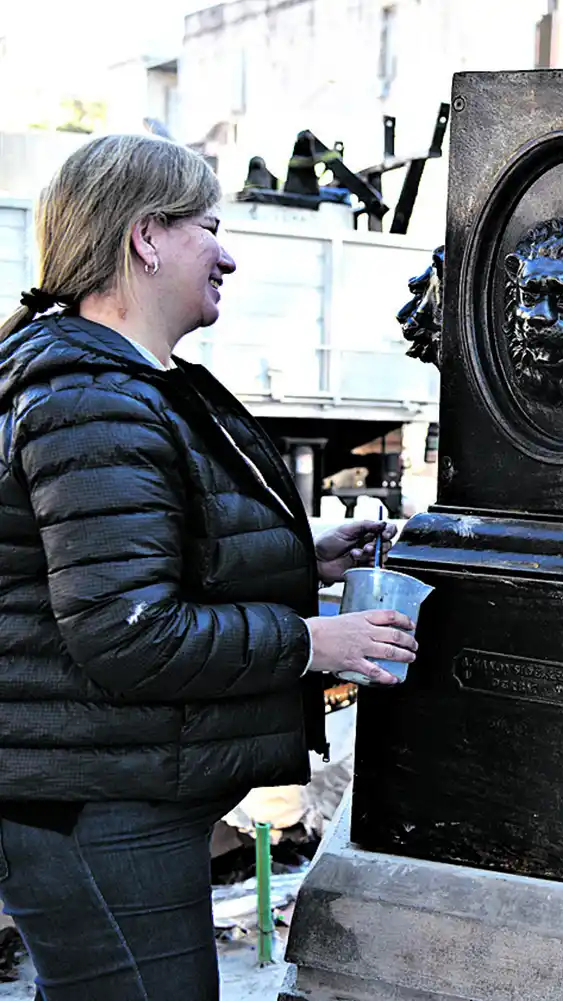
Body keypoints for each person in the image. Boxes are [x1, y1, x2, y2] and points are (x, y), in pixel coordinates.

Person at [0, 134, 420, 1001]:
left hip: (99, 795)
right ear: (145, 238)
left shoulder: (112, 383)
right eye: (210, 226)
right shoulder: (89, 398)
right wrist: (313, 641)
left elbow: (143, 554)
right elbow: (129, 631)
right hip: (89, 809)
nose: (227, 253)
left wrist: (305, 556)